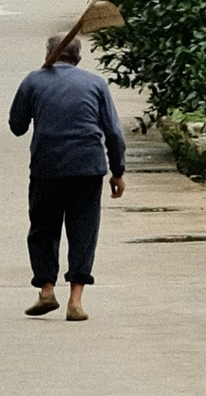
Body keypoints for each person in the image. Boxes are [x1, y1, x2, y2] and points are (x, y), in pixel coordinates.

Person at [8, 31, 126, 320]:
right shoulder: (96, 83)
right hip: (88, 167)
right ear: (78, 57)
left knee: (43, 228)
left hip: (47, 167)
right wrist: (117, 171)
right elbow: (113, 132)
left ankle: (47, 291)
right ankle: (75, 301)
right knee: (83, 230)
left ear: (49, 53)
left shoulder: (33, 81)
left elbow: (17, 126)